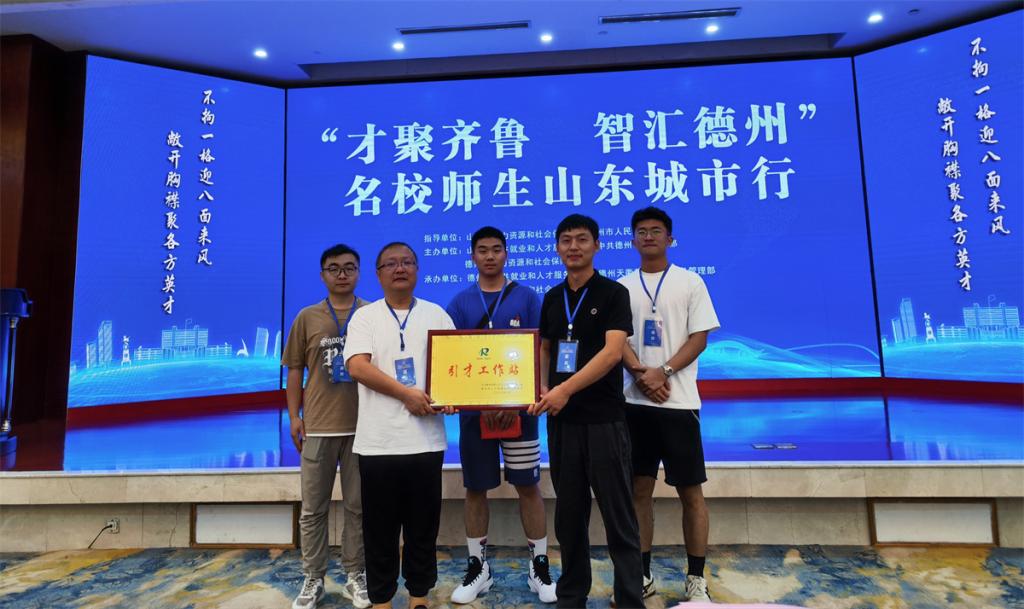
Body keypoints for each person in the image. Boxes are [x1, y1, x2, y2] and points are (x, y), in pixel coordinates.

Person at [529, 214, 644, 609]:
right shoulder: (551, 297)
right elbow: (545, 348)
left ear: (597, 245)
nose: (573, 247)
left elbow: (612, 353)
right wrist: (543, 389)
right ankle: (572, 595)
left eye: (581, 239)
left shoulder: (613, 293)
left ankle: (629, 598)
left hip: (604, 420)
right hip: (563, 423)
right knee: (569, 516)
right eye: (566, 240)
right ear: (557, 248)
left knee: (618, 515)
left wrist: (563, 390)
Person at [444, 226, 555, 604]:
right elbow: (451, 360)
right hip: (475, 416)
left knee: (528, 486)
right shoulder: (460, 303)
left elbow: (540, 350)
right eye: (482, 250)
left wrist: (528, 396)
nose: (489, 256)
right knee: (476, 488)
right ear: (472, 256)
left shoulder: (528, 297)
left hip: (520, 413)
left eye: (496, 249)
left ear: (506, 254)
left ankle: (539, 567)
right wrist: (460, 398)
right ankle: (479, 568)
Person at [343, 242, 455, 609]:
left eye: (407, 262)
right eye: (391, 263)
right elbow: (357, 366)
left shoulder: (437, 314)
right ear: (378, 274)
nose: (400, 268)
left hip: (426, 442)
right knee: (380, 531)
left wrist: (454, 396)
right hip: (379, 444)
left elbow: (453, 370)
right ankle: (382, 600)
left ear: (418, 270)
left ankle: (419, 597)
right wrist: (406, 394)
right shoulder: (365, 317)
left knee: (423, 528)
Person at [619, 207, 720, 603]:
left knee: (691, 493)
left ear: (670, 237)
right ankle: (641, 573)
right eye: (641, 231)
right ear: (633, 239)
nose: (649, 236)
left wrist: (662, 372)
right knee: (638, 491)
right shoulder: (622, 287)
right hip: (635, 403)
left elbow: (699, 338)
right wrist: (642, 377)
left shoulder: (690, 282)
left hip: (679, 404)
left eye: (656, 230)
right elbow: (617, 341)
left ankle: (696, 578)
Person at [283, 244, 371, 609]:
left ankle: (355, 574)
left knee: (358, 507)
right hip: (317, 427)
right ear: (322, 275)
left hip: (363, 428)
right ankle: (313, 578)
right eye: (334, 268)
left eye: (349, 268)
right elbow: (294, 370)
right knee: (313, 509)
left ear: (359, 273)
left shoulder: (371, 314)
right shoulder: (307, 317)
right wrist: (294, 417)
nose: (342, 274)